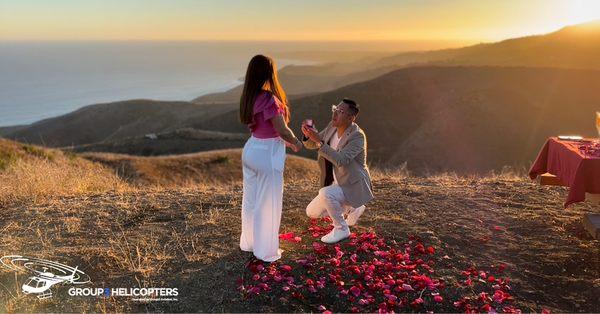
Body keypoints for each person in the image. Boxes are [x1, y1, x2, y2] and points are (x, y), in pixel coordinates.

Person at [239, 55, 303, 262]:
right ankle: (265, 251)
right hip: (267, 153)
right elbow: (282, 130)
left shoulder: (249, 96)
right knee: (269, 202)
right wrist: (296, 142)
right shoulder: (268, 98)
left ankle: (249, 243)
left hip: (251, 149)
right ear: (269, 73)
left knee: (250, 200)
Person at [301, 98, 374, 244]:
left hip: (351, 184)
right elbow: (313, 144)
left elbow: (341, 160)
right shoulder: (332, 127)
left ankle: (341, 228)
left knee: (326, 194)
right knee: (312, 212)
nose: (335, 114)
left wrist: (319, 142)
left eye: (340, 111)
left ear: (350, 117)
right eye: (335, 109)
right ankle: (352, 207)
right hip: (334, 183)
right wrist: (307, 135)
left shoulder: (357, 136)